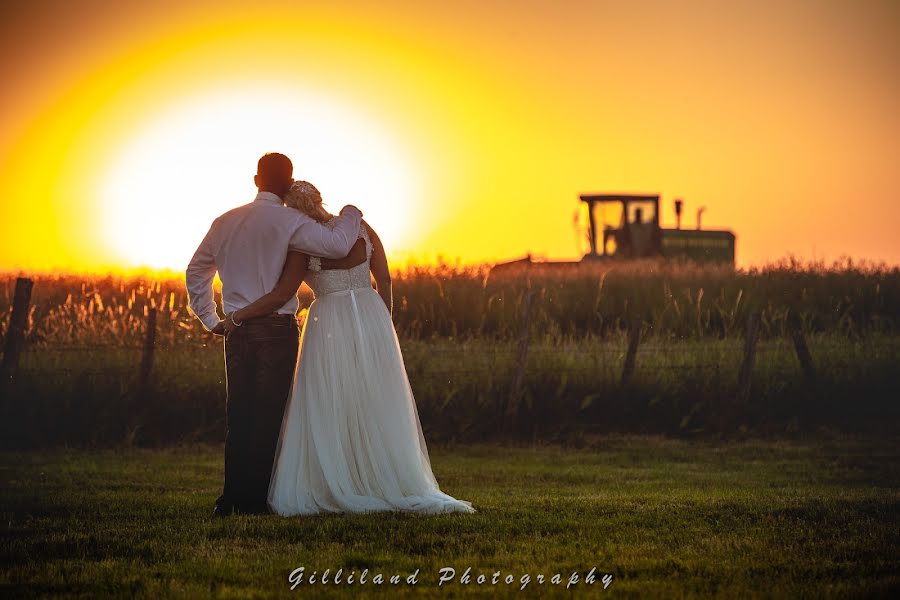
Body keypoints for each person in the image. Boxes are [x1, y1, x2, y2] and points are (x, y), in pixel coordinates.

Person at [225, 180, 475, 515]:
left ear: (293, 211)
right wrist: (382, 322)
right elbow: (384, 278)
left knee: (330, 399)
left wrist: (241, 313)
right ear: (319, 199)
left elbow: (282, 292)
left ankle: (339, 479)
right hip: (371, 318)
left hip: (328, 322)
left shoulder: (303, 245)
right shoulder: (359, 227)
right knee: (373, 398)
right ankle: (381, 477)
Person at [185, 153, 365, 517]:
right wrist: (351, 213)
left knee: (239, 414)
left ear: (256, 180)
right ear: (288, 182)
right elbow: (338, 246)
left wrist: (211, 318)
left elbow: (196, 271)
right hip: (275, 331)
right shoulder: (291, 221)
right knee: (269, 415)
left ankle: (231, 498)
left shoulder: (225, 222)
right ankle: (255, 500)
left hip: (236, 328)